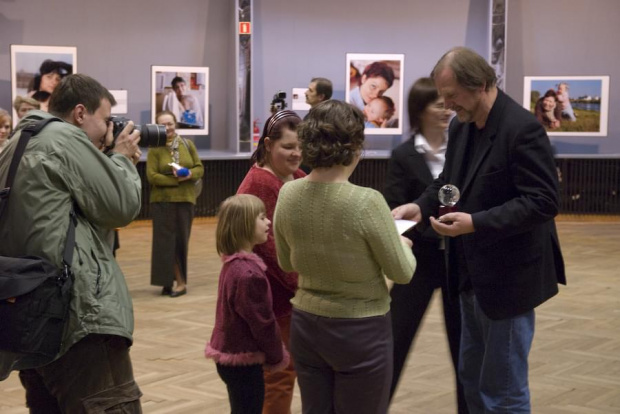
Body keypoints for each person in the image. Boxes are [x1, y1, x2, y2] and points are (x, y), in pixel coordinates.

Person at [393, 47, 566, 413]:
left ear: (482, 84)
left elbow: (543, 201)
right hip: (469, 276)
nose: (448, 105)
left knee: (503, 391)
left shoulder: (523, 129)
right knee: (471, 382)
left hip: (509, 281)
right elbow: (449, 181)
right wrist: (421, 208)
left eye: (453, 95)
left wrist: (476, 223)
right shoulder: (463, 126)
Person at [0, 73, 143, 412]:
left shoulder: (16, 143)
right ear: (80, 114)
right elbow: (121, 206)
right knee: (109, 402)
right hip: (77, 316)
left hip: (29, 315)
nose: (109, 131)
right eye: (106, 120)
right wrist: (121, 158)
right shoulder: (63, 140)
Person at [273, 100, 416, 414]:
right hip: (360, 330)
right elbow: (402, 273)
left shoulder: (288, 193)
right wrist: (403, 246)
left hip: (307, 326)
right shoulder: (367, 202)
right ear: (355, 147)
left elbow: (286, 262)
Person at [384, 77, 468, 413]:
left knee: (464, 348)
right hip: (417, 260)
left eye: (448, 103)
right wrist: (409, 234)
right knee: (393, 340)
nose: (446, 110)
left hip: (458, 262)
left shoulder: (462, 149)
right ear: (419, 111)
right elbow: (394, 202)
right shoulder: (404, 154)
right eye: (437, 104)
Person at [236, 109, 305, 414]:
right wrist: (305, 283)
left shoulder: (298, 176)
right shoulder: (260, 184)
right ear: (267, 145)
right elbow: (268, 251)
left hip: (295, 299)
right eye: (288, 147)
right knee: (278, 377)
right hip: (275, 301)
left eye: (301, 146)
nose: (297, 153)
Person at [205, 194, 290, 414]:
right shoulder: (249, 274)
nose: (268, 222)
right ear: (244, 225)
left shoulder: (233, 265)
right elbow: (262, 323)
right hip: (243, 360)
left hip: (228, 354)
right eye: (262, 217)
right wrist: (276, 356)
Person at [146, 110, 204, 297]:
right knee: (164, 244)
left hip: (185, 200)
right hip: (162, 202)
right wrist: (175, 180)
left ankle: (180, 281)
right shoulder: (155, 148)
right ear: (158, 127)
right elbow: (152, 176)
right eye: (163, 124)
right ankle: (168, 282)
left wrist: (188, 174)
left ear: (175, 124)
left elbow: (199, 168)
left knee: (180, 242)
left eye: (170, 123)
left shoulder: (187, 145)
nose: (167, 127)